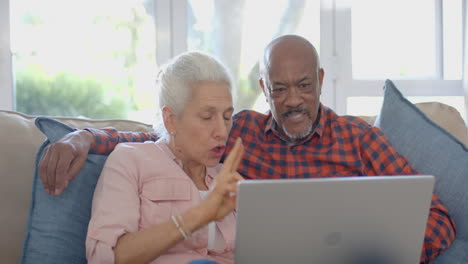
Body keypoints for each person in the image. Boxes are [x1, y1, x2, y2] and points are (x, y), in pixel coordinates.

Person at [39, 35, 456, 264]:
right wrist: (88, 137)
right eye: (280, 88)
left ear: (322, 80)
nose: (293, 100)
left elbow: (435, 216)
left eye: (304, 86)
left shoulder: (358, 139)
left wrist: (379, 250)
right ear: (264, 90)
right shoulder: (238, 138)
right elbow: (159, 141)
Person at [85, 51, 245, 263]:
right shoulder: (130, 161)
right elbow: (105, 258)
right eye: (207, 117)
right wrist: (201, 214)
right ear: (170, 120)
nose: (222, 132)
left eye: (227, 117)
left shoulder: (227, 179)